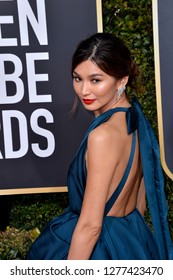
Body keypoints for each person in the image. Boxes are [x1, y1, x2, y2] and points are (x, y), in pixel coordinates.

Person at [26, 33, 173, 260]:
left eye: (96, 80)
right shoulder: (135, 121)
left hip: (98, 250)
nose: (84, 91)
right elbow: (140, 203)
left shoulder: (102, 136)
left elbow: (90, 226)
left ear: (122, 80)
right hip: (131, 240)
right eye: (77, 78)